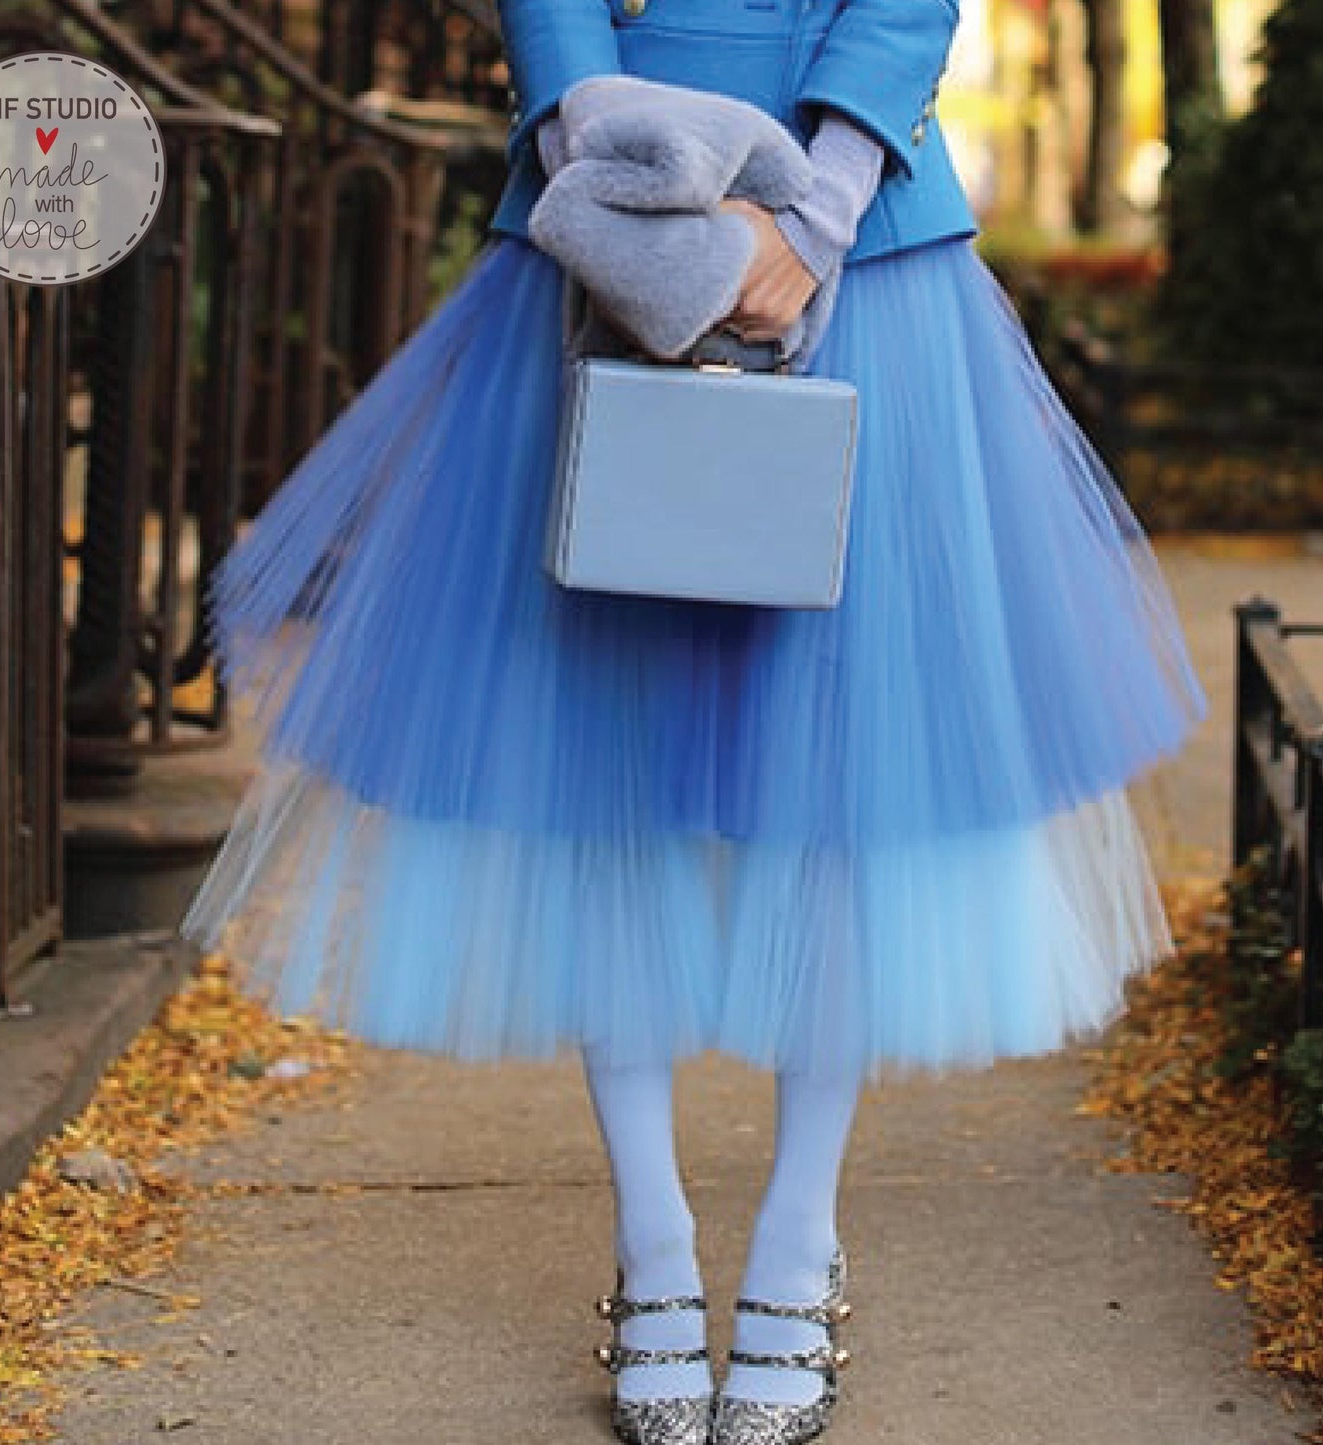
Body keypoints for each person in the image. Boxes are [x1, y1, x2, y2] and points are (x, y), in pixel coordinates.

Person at [179, 2, 1209, 1442]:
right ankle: (652, 1244)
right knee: (599, 751)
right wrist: (613, 186)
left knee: (842, 768)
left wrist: (815, 217)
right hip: (602, 215)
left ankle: (797, 1240)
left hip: (871, 243)